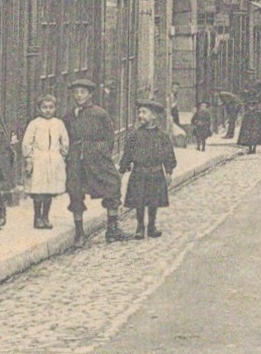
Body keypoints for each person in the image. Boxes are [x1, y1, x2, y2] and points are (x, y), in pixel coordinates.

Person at [64, 77, 129, 246]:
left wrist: (101, 152)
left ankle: (112, 228)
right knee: (75, 191)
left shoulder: (100, 114)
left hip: (97, 159)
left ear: (90, 94)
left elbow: (109, 137)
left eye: (83, 92)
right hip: (76, 160)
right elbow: (64, 138)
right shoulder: (69, 116)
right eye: (76, 92)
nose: (79, 96)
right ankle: (79, 233)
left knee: (113, 184)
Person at [121, 98, 178, 239]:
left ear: (153, 116)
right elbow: (127, 155)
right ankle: (140, 227)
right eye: (139, 113)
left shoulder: (162, 136)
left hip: (156, 172)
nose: (140, 116)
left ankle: (151, 226)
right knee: (138, 202)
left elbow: (168, 155)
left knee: (153, 201)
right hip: (139, 172)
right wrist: (121, 171)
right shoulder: (133, 136)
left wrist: (169, 172)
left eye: (144, 113)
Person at [21, 94, 69, 230]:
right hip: (39, 159)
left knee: (49, 190)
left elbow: (64, 141)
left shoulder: (59, 124)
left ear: (55, 109)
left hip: (54, 159)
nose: (48, 110)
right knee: (38, 190)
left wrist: (62, 155)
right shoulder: (34, 124)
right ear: (39, 109)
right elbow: (27, 142)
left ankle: (46, 216)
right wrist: (29, 159)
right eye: (44, 107)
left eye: (51, 107)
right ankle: (37, 217)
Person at [235, 81, 261, 155]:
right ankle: (251, 148)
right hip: (250, 117)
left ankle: (253, 148)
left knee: (254, 134)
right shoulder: (250, 98)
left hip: (253, 117)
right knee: (250, 134)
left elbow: (255, 105)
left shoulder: (254, 98)